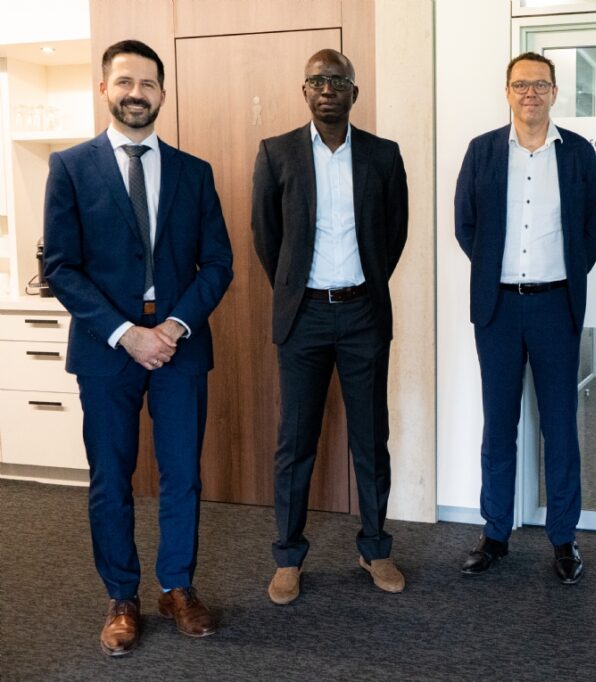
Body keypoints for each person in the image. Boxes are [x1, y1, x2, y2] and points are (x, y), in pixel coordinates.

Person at [43, 39, 233, 656]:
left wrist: (173, 327)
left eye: (148, 84)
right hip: (107, 349)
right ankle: (121, 596)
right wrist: (127, 334)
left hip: (179, 345)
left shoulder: (194, 172)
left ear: (162, 93)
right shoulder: (70, 168)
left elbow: (219, 263)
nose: (136, 94)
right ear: (104, 89)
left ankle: (177, 587)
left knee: (182, 476)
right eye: (124, 82)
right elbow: (63, 269)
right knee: (110, 478)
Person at [252, 49, 409, 602]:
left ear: (352, 93)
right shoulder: (277, 153)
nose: (326, 89)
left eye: (336, 81)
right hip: (304, 318)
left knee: (371, 438)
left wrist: (361, 286)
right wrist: (298, 290)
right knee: (296, 441)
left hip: (364, 312)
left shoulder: (383, 156)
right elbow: (267, 238)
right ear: (304, 90)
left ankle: (375, 549)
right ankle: (289, 557)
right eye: (316, 80)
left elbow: (394, 234)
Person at [455, 51, 596, 584]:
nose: (530, 94)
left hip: (554, 306)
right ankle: (495, 533)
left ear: (554, 92)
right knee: (499, 426)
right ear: (507, 91)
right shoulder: (482, 152)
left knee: (560, 426)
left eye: (540, 85)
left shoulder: (579, 154)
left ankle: (564, 539)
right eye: (521, 85)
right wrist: (501, 271)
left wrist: (558, 275)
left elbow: (595, 231)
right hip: (497, 309)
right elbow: (465, 225)